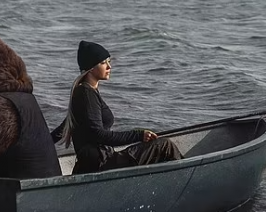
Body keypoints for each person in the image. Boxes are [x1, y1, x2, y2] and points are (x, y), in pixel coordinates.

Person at [50, 40, 182, 175]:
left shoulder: (86, 92)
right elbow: (99, 135)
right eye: (103, 63)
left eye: (109, 61)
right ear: (91, 68)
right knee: (164, 145)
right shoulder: (86, 94)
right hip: (101, 164)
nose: (109, 67)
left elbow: (65, 126)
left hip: (98, 161)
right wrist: (138, 135)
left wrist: (42, 143)